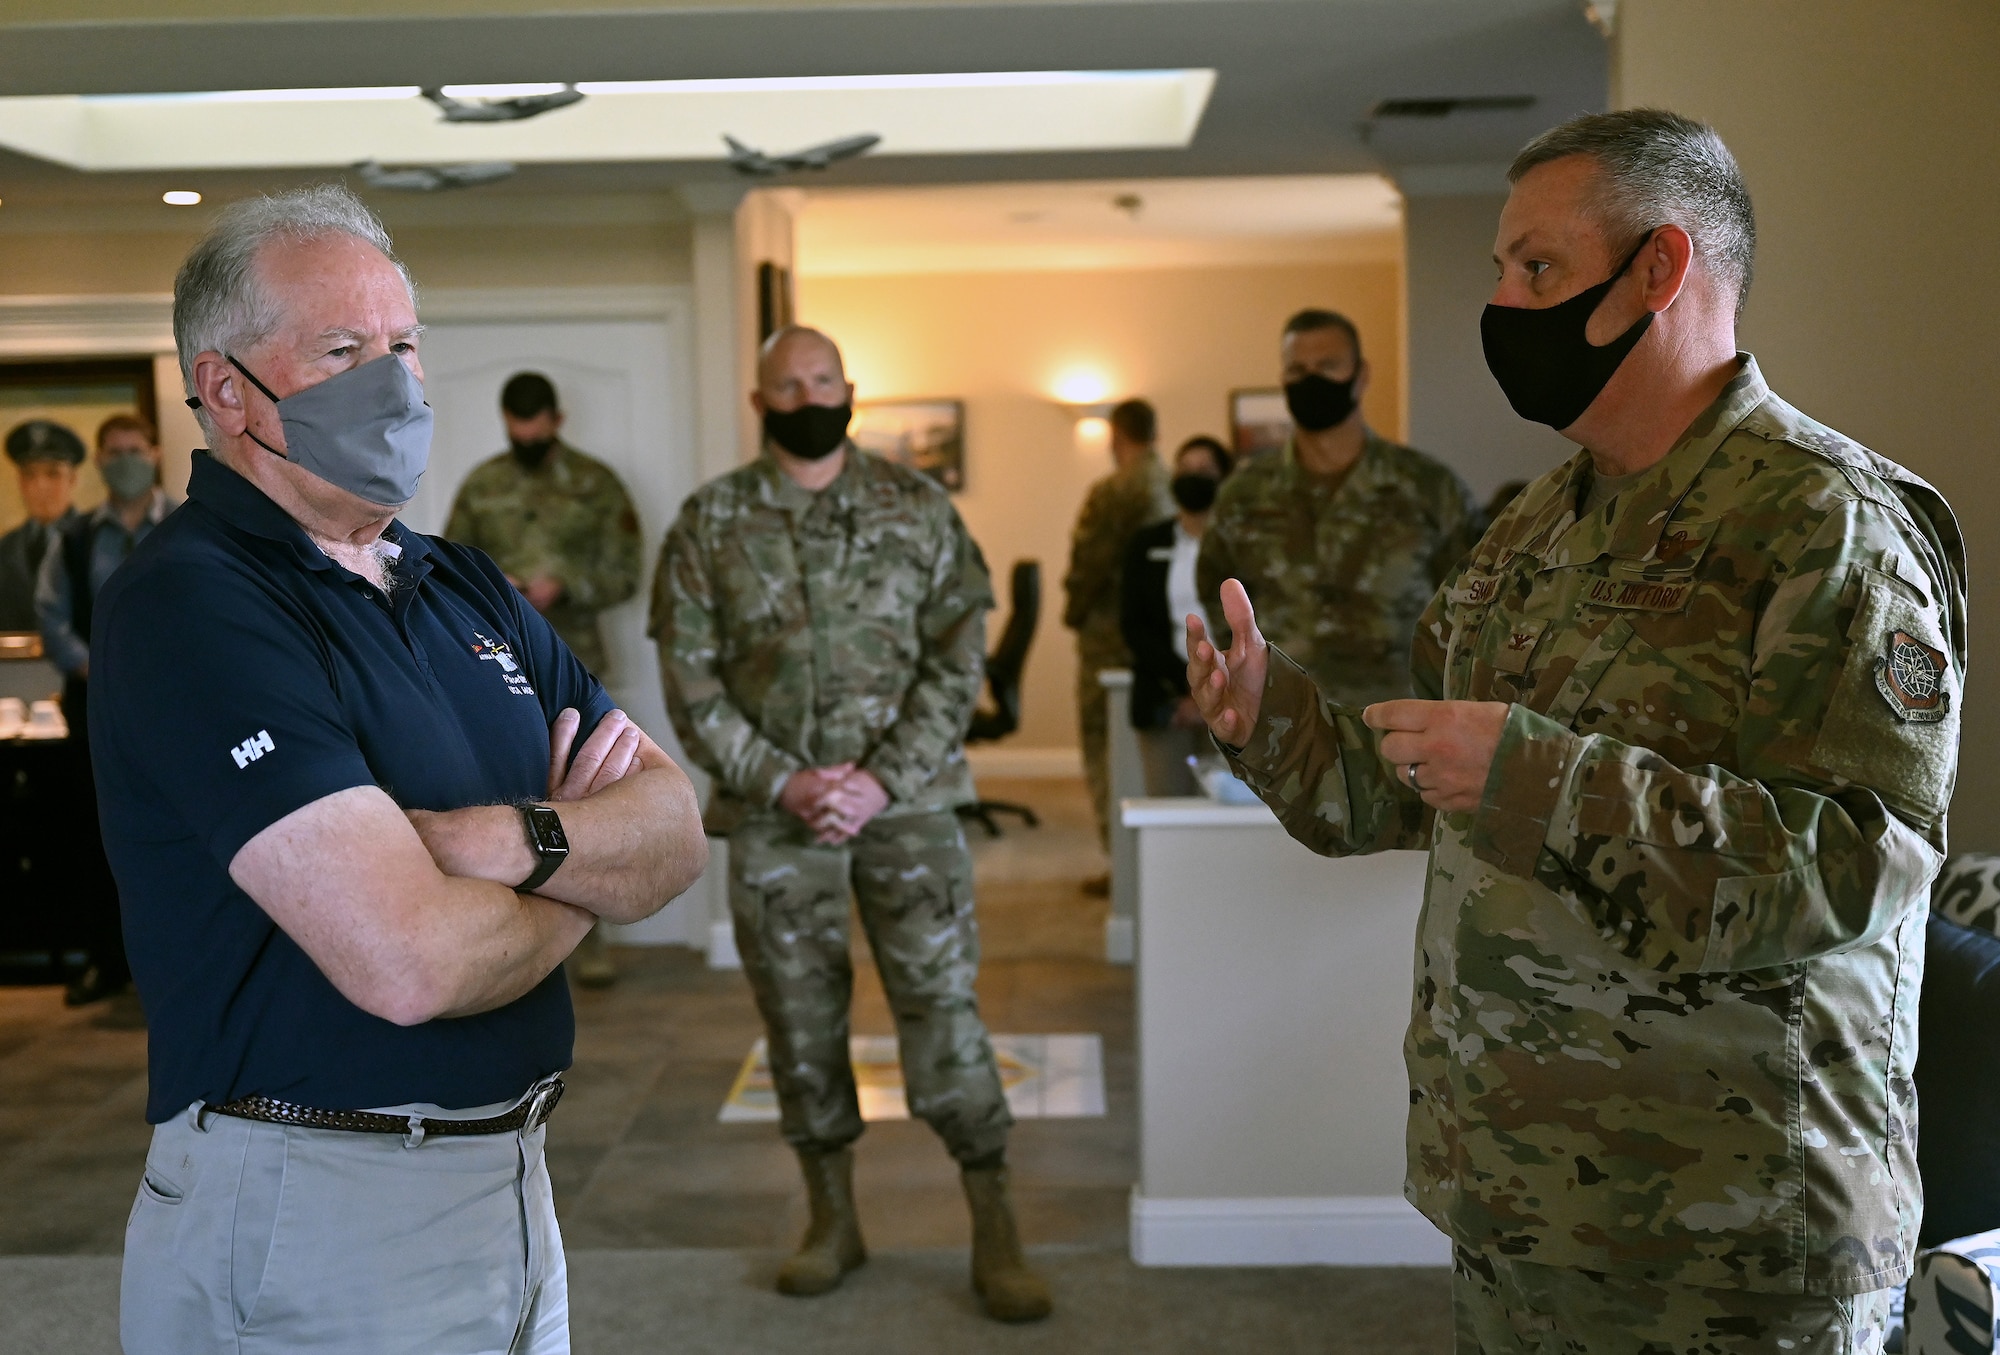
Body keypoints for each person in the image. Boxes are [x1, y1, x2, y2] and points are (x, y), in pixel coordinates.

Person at [1189, 109, 1960, 1354]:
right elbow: (1400, 788)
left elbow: (1853, 867)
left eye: (1534, 270)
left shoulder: (1828, 523)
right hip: (1514, 1191)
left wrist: (1541, 780)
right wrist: (1273, 721)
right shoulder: (1530, 526)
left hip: (1731, 1230)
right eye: (1499, 271)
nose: (1501, 303)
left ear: (1656, 271)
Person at [95, 184, 707, 1355]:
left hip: (509, 1181)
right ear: (225, 389)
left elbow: (673, 828)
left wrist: (507, 845)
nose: (396, 379)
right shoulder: (194, 603)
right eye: (343, 350)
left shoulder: (459, 577)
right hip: (317, 1201)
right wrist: (584, 859)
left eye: (404, 344)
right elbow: (408, 960)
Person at [654, 324, 1050, 1324]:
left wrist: (879, 779)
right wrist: (784, 781)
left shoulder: (917, 508)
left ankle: (993, 1218)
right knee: (796, 1018)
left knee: (941, 1002)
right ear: (758, 403)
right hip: (776, 818)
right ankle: (831, 1216)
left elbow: (960, 660)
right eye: (784, 384)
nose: (804, 395)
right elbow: (691, 684)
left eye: (820, 380)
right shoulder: (710, 522)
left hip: (907, 809)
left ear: (850, 390)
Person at [445, 371, 644, 988]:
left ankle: (591, 940)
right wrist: (497, 591)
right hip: (494, 667)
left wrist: (569, 588)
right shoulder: (483, 486)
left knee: (586, 801)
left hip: (575, 665)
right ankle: (508, 940)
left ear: (556, 420)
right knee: (503, 799)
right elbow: (446, 571)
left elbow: (628, 571)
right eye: (515, 425)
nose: (525, 436)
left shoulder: (596, 485)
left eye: (536, 424)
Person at [1196, 309, 1479, 707]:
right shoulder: (1243, 495)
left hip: (1399, 726)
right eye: (1297, 370)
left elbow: (1475, 603)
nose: (1311, 380)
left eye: (1328, 366)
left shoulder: (1429, 489)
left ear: (1360, 375)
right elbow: (1216, 591)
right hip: (1281, 729)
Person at [32, 412, 175, 1006]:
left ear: (156, 452)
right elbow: (51, 616)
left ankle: (175, 967)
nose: (124, 459)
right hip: (98, 706)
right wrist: (102, 666)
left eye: (133, 449)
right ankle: (105, 962)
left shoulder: (192, 524)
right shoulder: (75, 536)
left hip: (181, 704)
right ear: (97, 460)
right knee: (98, 836)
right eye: (112, 450)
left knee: (181, 834)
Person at [1063, 397, 1173, 890]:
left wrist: (1074, 614)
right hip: (1164, 639)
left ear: (1116, 435)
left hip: (1110, 638)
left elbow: (1089, 567)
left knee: (1106, 748)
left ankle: (1122, 870)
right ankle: (1154, 863)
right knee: (1156, 752)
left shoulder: (1113, 491)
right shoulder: (1173, 486)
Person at [1119, 434, 1233, 796]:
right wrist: (1188, 687)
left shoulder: (1241, 544)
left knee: (1228, 810)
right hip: (1164, 697)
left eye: (1204, 470)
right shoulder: (1146, 543)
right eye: (1184, 468)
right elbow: (1133, 625)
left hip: (1233, 694)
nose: (1192, 476)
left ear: (1225, 479)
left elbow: (1256, 620)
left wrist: (1212, 690)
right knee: (1168, 811)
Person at [0, 419, 84, 632]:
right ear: (19, 481)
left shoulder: (91, 540)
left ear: (72, 479)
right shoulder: (5, 548)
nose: (40, 486)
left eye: (53, 473)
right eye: (29, 474)